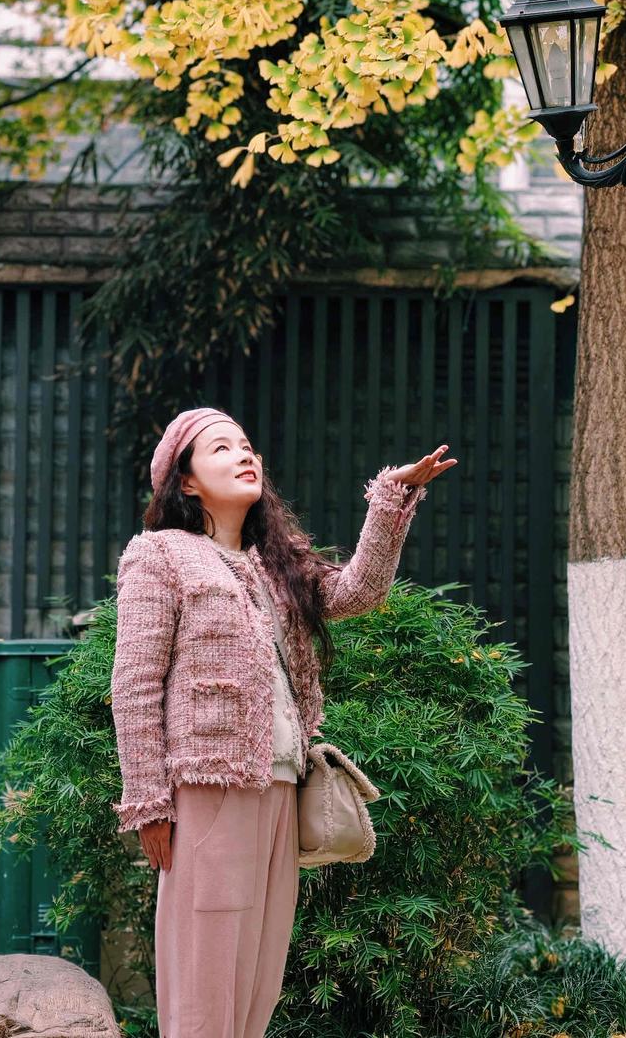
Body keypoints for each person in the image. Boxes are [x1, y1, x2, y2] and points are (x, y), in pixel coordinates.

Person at [109, 405, 456, 1038]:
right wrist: (149, 804)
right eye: (220, 448)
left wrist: (392, 498)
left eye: (247, 445)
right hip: (209, 793)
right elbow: (134, 686)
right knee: (205, 973)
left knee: (259, 975)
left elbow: (360, 593)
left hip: (278, 787)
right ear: (185, 481)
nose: (244, 455)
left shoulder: (278, 564)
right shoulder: (159, 555)